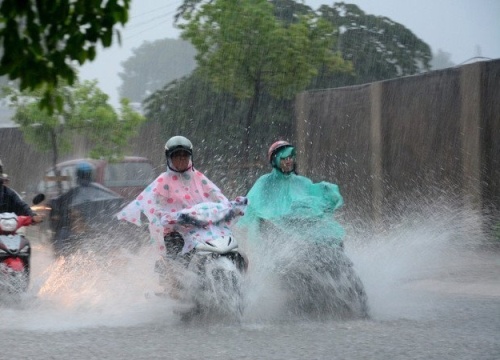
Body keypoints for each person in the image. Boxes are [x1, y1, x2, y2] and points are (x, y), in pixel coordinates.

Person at [117, 136, 238, 261]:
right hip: (176, 230)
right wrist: (174, 218)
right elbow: (157, 208)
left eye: (185, 156)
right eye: (176, 156)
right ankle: (176, 277)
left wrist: (230, 207)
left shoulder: (198, 177)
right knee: (177, 253)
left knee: (232, 248)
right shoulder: (163, 181)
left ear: (190, 157)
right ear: (169, 158)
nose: (181, 160)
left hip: (202, 225)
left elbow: (216, 194)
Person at [237, 140, 345, 248]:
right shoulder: (265, 182)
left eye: (290, 157)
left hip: (299, 225)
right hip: (275, 229)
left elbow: (316, 197)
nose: (288, 161)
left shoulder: (301, 182)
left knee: (330, 236)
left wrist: (326, 190)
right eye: (284, 158)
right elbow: (250, 204)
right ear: (275, 160)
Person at [49, 161, 124, 255]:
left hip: (77, 235)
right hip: (98, 233)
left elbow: (57, 209)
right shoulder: (102, 193)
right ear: (91, 175)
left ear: (77, 175)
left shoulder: (71, 195)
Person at [0, 158, 42, 223]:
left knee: (20, 233)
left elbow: (21, 205)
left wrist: (32, 215)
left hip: (8, 226)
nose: (5, 182)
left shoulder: (8, 193)